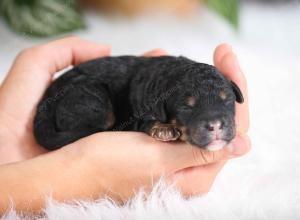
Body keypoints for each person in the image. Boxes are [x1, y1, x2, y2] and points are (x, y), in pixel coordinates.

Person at [0, 37, 250, 214]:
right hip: (83, 94)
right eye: (189, 106)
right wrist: (81, 174)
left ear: (235, 95)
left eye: (225, 101)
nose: (215, 122)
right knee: (100, 110)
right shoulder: (158, 99)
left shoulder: (169, 89)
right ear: (165, 108)